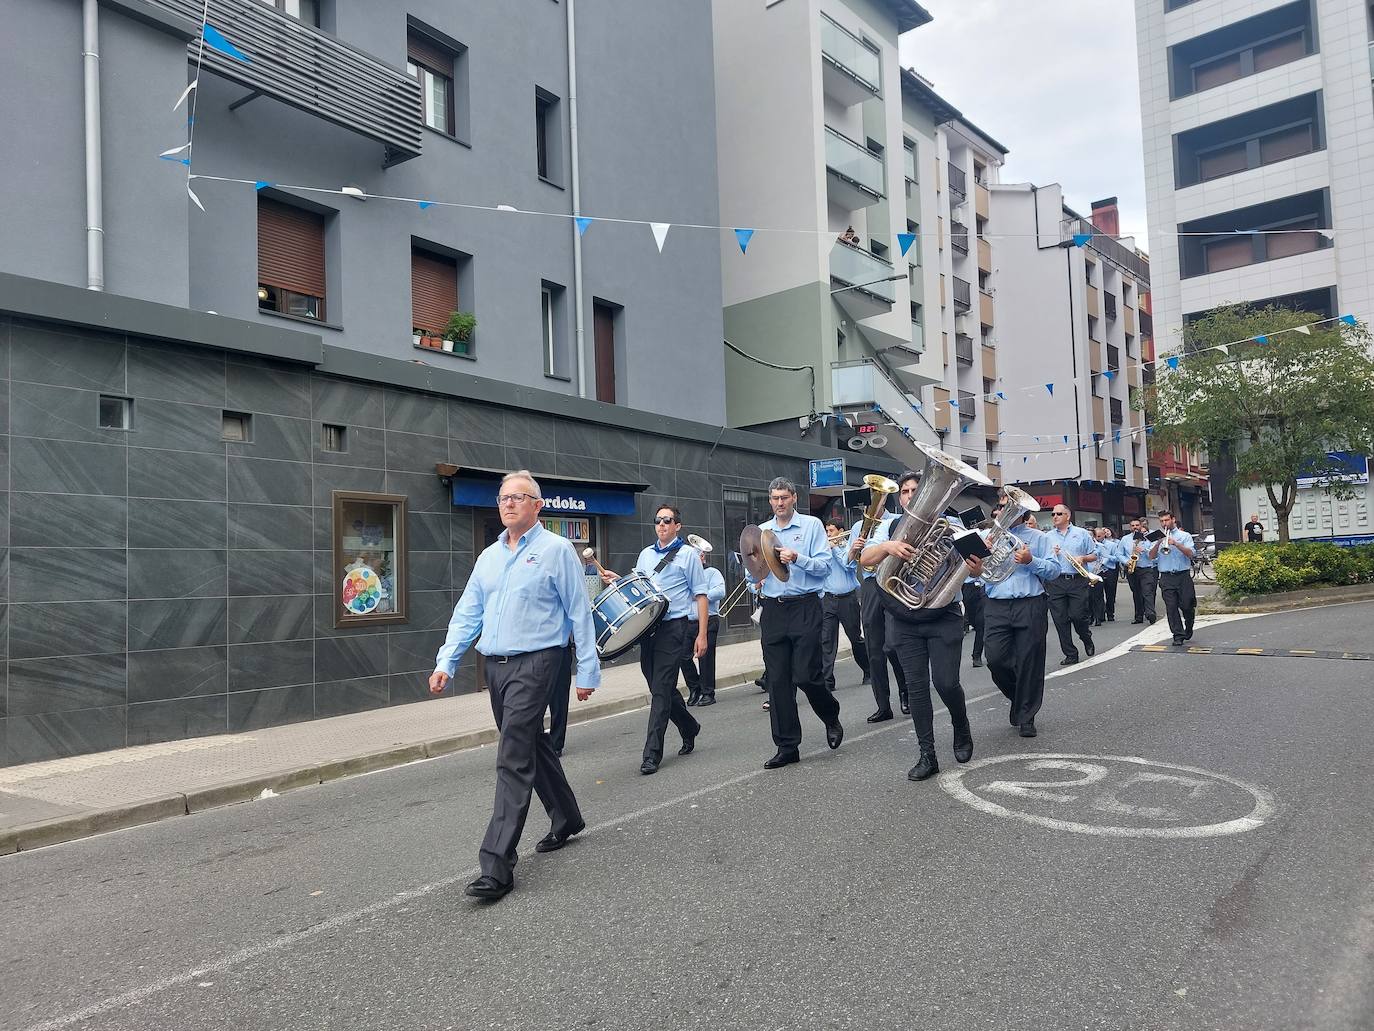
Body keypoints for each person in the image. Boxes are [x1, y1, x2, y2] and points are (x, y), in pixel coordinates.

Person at [430, 471, 598, 902]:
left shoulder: (557, 550)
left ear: (537, 506)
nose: (508, 504)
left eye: (518, 497)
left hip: (540, 661)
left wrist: (588, 671)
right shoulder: (488, 557)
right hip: (497, 668)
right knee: (529, 745)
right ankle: (566, 817)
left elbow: (580, 612)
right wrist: (447, 660)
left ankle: (497, 866)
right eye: (503, 498)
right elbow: (468, 612)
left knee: (512, 757)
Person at [860, 470, 974, 780]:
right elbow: (865, 558)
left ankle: (961, 726)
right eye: (907, 492)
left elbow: (974, 569)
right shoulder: (891, 526)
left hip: (943, 614)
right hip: (904, 617)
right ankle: (928, 755)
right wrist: (888, 548)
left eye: (916, 490)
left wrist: (975, 565)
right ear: (901, 498)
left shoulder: (953, 526)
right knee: (917, 689)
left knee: (946, 682)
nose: (911, 496)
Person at [599, 505, 708, 775]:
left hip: (675, 627)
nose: (661, 525)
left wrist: (702, 634)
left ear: (677, 525)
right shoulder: (646, 554)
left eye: (667, 521)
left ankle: (651, 754)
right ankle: (689, 726)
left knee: (661, 690)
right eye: (658, 521)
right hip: (649, 629)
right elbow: (640, 584)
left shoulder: (688, 556)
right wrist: (618, 579)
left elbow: (701, 595)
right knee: (659, 687)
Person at [755, 477, 844, 769]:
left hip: (805, 605)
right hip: (773, 609)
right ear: (770, 501)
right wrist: (755, 578)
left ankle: (830, 714)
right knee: (778, 681)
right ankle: (787, 746)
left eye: (784, 497)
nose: (779, 503)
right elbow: (751, 573)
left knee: (806, 675)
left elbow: (824, 568)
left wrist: (797, 558)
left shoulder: (811, 526)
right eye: (774, 498)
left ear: (794, 497)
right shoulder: (762, 531)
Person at [977, 495, 1060, 738]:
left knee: (1029, 661)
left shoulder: (1039, 538)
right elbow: (973, 573)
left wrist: (1031, 560)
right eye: (1001, 506)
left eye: (1008, 506)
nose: (1002, 510)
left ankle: (1026, 716)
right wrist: (979, 561)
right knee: (995, 659)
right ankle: (1020, 698)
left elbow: (1054, 571)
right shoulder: (987, 537)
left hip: (1030, 603)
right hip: (996, 604)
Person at [847, 501, 909, 722]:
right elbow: (849, 562)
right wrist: (855, 548)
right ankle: (883, 705)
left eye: (879, 496)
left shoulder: (895, 522)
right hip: (872, 584)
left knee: (893, 645)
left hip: (892, 581)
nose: (875, 500)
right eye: (873, 496)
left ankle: (905, 691)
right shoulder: (857, 526)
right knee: (874, 649)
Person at [820, 517, 871, 693]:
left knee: (855, 638)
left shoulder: (849, 547)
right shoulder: (823, 548)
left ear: (840, 532)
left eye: (831, 531)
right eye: (826, 532)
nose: (828, 535)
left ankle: (868, 671)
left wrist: (835, 549)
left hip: (847, 599)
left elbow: (848, 565)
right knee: (827, 641)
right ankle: (827, 681)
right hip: (828, 599)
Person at [1045, 504, 1098, 666]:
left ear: (1068, 516)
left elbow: (1095, 555)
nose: (1055, 516)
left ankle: (1086, 638)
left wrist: (1083, 558)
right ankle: (1070, 653)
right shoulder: (1047, 536)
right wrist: (1050, 554)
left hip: (1077, 580)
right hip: (1055, 581)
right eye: (1053, 514)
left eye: (1059, 513)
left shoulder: (1081, 533)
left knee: (1078, 616)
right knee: (1060, 620)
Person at [681, 545, 726, 706]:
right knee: (682, 656)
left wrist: (701, 595)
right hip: (687, 620)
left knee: (705, 658)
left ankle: (708, 692)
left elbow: (720, 591)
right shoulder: (686, 575)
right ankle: (695, 687)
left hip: (708, 619)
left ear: (701, 557)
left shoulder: (712, 573)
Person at [1151, 510, 1197, 646]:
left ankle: (1189, 625)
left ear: (1173, 520)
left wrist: (1176, 543)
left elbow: (1191, 554)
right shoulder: (1156, 536)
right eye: (1162, 521)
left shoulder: (1184, 536)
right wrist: (1158, 543)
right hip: (1166, 577)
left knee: (1187, 605)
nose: (1164, 523)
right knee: (1171, 607)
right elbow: (1151, 556)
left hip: (1183, 576)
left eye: (1166, 520)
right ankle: (1177, 635)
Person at [963, 516, 992, 667]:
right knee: (974, 621)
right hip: (968, 587)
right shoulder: (971, 539)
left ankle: (977, 656)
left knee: (981, 623)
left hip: (982, 586)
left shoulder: (992, 539)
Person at [1127, 519, 1159, 625]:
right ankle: (1138, 616)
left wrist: (1143, 550)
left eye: (1137, 525)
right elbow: (1119, 554)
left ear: (1141, 526)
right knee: (1136, 593)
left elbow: (1155, 555)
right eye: (1133, 525)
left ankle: (1150, 613)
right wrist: (1125, 561)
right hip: (1132, 568)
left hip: (1147, 568)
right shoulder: (1125, 539)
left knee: (1147, 591)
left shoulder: (1149, 537)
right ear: (1130, 527)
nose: (1135, 527)